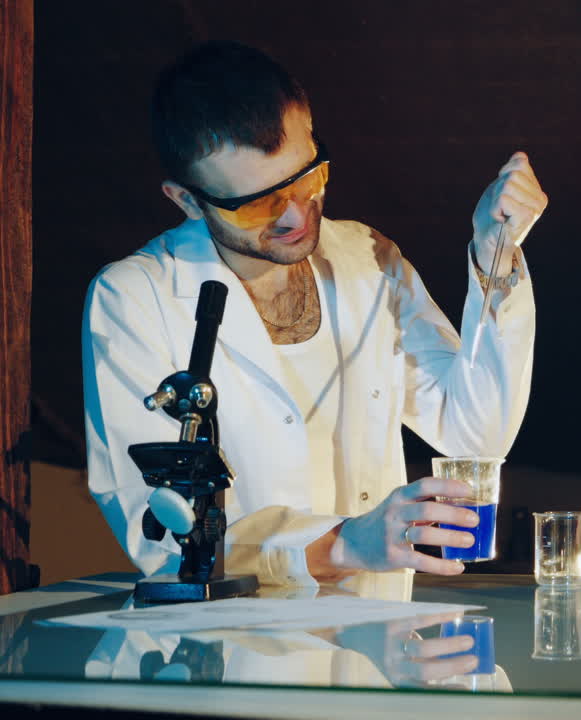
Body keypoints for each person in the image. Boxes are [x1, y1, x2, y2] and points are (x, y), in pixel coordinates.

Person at [82, 42, 548, 588]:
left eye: (307, 178)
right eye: (257, 204)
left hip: (375, 642)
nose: (295, 215)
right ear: (186, 200)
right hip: (232, 651)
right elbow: (155, 530)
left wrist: (496, 253)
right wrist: (346, 543)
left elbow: (475, 433)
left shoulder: (367, 256)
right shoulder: (134, 298)